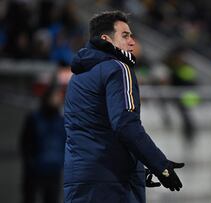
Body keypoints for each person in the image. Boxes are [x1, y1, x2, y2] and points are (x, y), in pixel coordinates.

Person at [63, 10, 184, 203]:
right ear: (106, 39)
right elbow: (125, 124)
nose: (132, 42)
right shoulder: (118, 68)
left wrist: (136, 169)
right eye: (125, 35)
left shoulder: (78, 77)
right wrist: (159, 165)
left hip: (79, 178)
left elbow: (94, 130)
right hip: (111, 182)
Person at [20, 83, 66, 203]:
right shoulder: (34, 118)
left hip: (54, 170)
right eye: (56, 96)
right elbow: (25, 143)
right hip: (35, 170)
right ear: (47, 97)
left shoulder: (61, 121)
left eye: (60, 97)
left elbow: (64, 143)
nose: (58, 99)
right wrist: (31, 163)